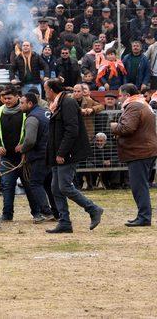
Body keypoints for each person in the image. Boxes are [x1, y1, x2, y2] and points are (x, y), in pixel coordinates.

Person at [44, 78, 104, 233]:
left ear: (51, 90)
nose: (45, 92)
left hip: (67, 153)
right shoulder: (58, 104)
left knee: (64, 186)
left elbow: (72, 130)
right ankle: (65, 222)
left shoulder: (67, 103)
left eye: (46, 89)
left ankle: (93, 209)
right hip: (59, 153)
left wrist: (62, 152)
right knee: (56, 188)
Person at [111, 84, 157, 227]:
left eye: (120, 95)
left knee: (139, 185)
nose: (119, 98)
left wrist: (114, 126)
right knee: (140, 184)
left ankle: (144, 217)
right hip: (144, 149)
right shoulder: (141, 104)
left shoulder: (134, 106)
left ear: (126, 95)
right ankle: (143, 215)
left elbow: (127, 128)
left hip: (140, 151)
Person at [0, 86, 39, 222]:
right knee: (7, 187)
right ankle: (7, 214)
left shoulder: (25, 111)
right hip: (6, 157)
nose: (6, 101)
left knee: (29, 185)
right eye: (4, 98)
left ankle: (37, 213)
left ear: (17, 97)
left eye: (9, 98)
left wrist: (24, 146)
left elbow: (31, 132)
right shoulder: (0, 111)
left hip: (24, 157)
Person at [18, 93, 58, 223]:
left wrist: (23, 149)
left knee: (35, 183)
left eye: (22, 103)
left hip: (39, 155)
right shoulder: (46, 113)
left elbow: (30, 140)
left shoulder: (32, 117)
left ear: (30, 104)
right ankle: (57, 211)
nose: (20, 105)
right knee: (48, 184)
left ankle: (46, 212)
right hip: (50, 153)